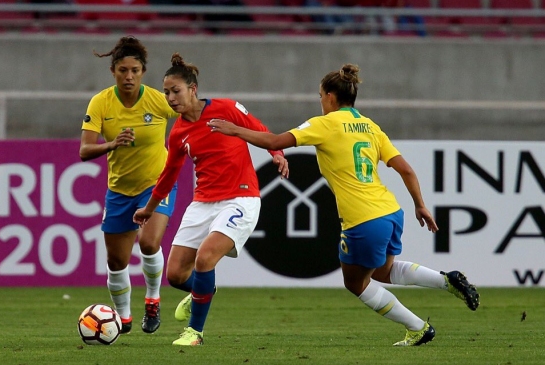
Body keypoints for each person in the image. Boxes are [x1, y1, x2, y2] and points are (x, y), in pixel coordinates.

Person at [207, 64, 480, 346]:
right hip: (390, 211)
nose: (321, 102)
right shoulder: (370, 126)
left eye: (320, 96)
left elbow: (276, 141)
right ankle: (447, 280)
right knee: (383, 272)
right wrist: (420, 205)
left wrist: (235, 130)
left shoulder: (324, 123)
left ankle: (418, 328)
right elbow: (407, 170)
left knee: (355, 283)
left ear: (330, 97)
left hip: (362, 218)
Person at [133, 53, 289, 346]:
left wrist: (277, 154)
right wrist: (148, 209)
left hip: (240, 198)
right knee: (177, 274)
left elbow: (259, 128)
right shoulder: (178, 132)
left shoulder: (226, 108)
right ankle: (203, 291)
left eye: (175, 91)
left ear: (192, 89)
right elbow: (168, 175)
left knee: (205, 259)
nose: (170, 98)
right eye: (166, 92)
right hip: (202, 202)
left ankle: (195, 333)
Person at [79, 36, 179, 335]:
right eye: (123, 70)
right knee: (116, 260)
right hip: (120, 190)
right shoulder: (101, 102)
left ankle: (152, 299)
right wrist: (111, 144)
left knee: (148, 243)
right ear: (113, 71)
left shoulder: (159, 101)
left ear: (143, 72)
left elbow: (192, 114)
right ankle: (122, 318)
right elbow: (84, 150)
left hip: (157, 184)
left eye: (135, 70)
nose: (129, 76)